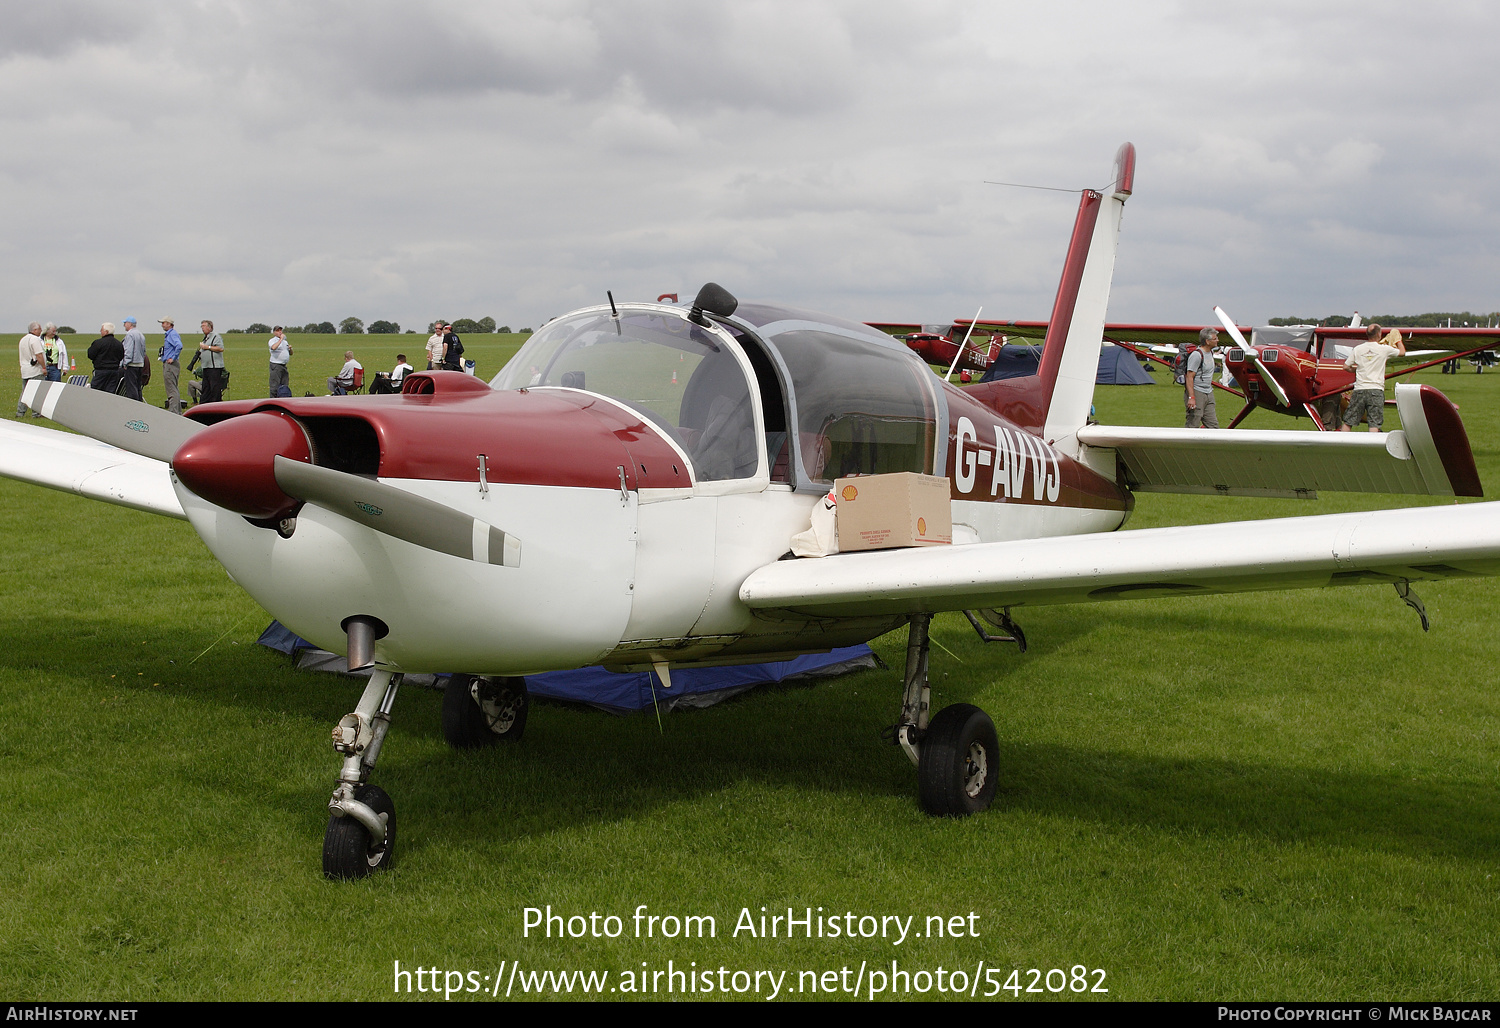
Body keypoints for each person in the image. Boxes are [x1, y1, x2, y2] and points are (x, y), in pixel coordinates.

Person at [1340, 325, 1406, 432]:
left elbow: (1346, 366)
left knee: (1348, 421)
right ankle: (1372, 444)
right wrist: (1398, 340)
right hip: (1376, 389)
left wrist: (1356, 370)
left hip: (1359, 389)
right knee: (1374, 423)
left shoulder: (1358, 349)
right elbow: (1402, 352)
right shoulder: (1384, 349)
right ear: (1379, 334)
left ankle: (1340, 444)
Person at [1183, 327, 1220, 429]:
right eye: (1215, 338)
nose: (1217, 340)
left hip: (1208, 392)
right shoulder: (1196, 355)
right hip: (1197, 392)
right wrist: (1192, 398)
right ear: (1207, 341)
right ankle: (1188, 444)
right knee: (1193, 422)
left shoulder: (1211, 353)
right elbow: (1189, 376)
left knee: (1213, 425)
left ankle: (1213, 444)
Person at [17, 321, 45, 416]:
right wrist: (44, 367)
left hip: (25, 370)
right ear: (35, 330)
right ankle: (36, 413)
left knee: (25, 393)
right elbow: (39, 355)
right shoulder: (35, 339)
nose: (41, 331)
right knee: (36, 392)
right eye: (40, 329)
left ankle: (20, 412)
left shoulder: (23, 339)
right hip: (35, 370)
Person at [87, 322, 124, 395]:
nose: (100, 331)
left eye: (101, 330)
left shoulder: (98, 343)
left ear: (106, 332)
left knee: (95, 392)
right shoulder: (119, 344)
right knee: (110, 392)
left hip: (101, 371)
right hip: (114, 371)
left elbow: (90, 355)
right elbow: (121, 356)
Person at [198, 319, 226, 404]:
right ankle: (204, 404)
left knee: (214, 387)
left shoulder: (216, 336)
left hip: (214, 367)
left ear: (210, 327)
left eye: (204, 326)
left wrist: (207, 347)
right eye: (201, 326)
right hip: (206, 366)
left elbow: (220, 348)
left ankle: (216, 403)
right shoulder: (206, 338)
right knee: (206, 387)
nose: (202, 328)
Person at [160, 317, 183, 413]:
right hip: (172, 364)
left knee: (171, 389)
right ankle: (178, 411)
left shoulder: (172, 334)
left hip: (171, 365)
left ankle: (173, 412)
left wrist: (173, 358)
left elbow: (179, 345)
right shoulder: (171, 334)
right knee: (174, 388)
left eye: (164, 323)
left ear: (169, 324)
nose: (162, 325)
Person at [120, 317, 147, 401]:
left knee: (131, 387)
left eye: (125, 323)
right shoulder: (140, 334)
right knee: (138, 386)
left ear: (129, 324)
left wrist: (125, 363)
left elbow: (128, 350)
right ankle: (139, 403)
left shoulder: (130, 335)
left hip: (132, 364)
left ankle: (133, 404)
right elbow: (144, 351)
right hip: (140, 363)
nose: (124, 325)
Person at [268, 326, 292, 396]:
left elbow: (291, 353)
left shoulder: (285, 342)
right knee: (274, 386)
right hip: (276, 365)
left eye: (281, 330)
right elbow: (273, 347)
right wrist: (281, 339)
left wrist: (290, 349)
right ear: (274, 333)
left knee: (284, 386)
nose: (280, 332)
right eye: (278, 331)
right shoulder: (272, 341)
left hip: (284, 366)